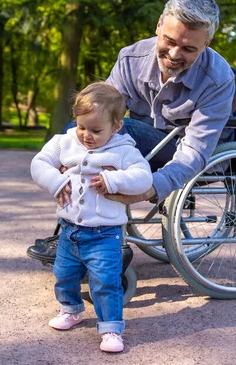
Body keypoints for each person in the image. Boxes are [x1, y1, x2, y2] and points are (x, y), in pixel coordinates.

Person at [30, 82, 153, 353]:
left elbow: (144, 178)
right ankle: (71, 309)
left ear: (117, 126)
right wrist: (55, 181)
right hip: (69, 230)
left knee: (105, 281)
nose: (86, 135)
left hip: (104, 234)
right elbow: (38, 163)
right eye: (82, 127)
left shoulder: (124, 151)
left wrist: (114, 179)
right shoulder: (64, 142)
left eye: (96, 130)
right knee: (63, 273)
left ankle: (111, 327)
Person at [105, 0, 235, 205]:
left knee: (121, 129)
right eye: (170, 41)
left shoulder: (218, 79)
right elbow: (100, 112)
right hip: (143, 147)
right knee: (82, 128)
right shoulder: (130, 59)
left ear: (206, 45)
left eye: (188, 49)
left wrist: (151, 188)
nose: (174, 55)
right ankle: (73, 233)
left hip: (189, 153)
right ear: (158, 25)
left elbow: (195, 150)